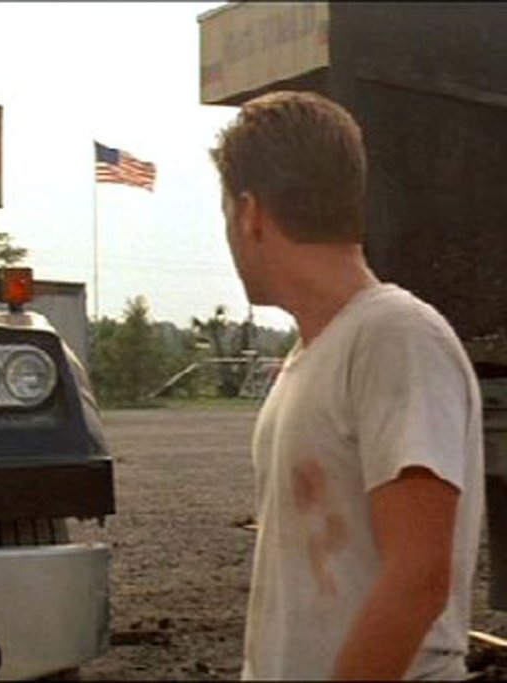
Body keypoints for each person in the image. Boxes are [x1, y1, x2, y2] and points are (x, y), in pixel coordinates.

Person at [210, 90, 484, 680]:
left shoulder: (395, 336)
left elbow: (418, 576)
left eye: (226, 213)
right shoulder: (316, 353)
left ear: (250, 213)